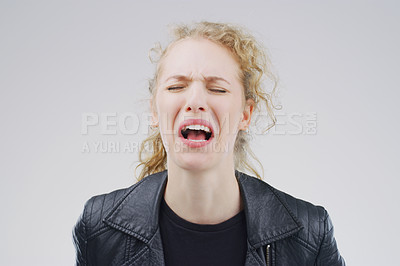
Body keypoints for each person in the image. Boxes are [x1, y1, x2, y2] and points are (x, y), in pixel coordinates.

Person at [73, 21, 345, 266]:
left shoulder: (310, 235)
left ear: (245, 115)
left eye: (217, 89)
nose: (195, 101)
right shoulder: (98, 228)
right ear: (154, 111)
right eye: (176, 87)